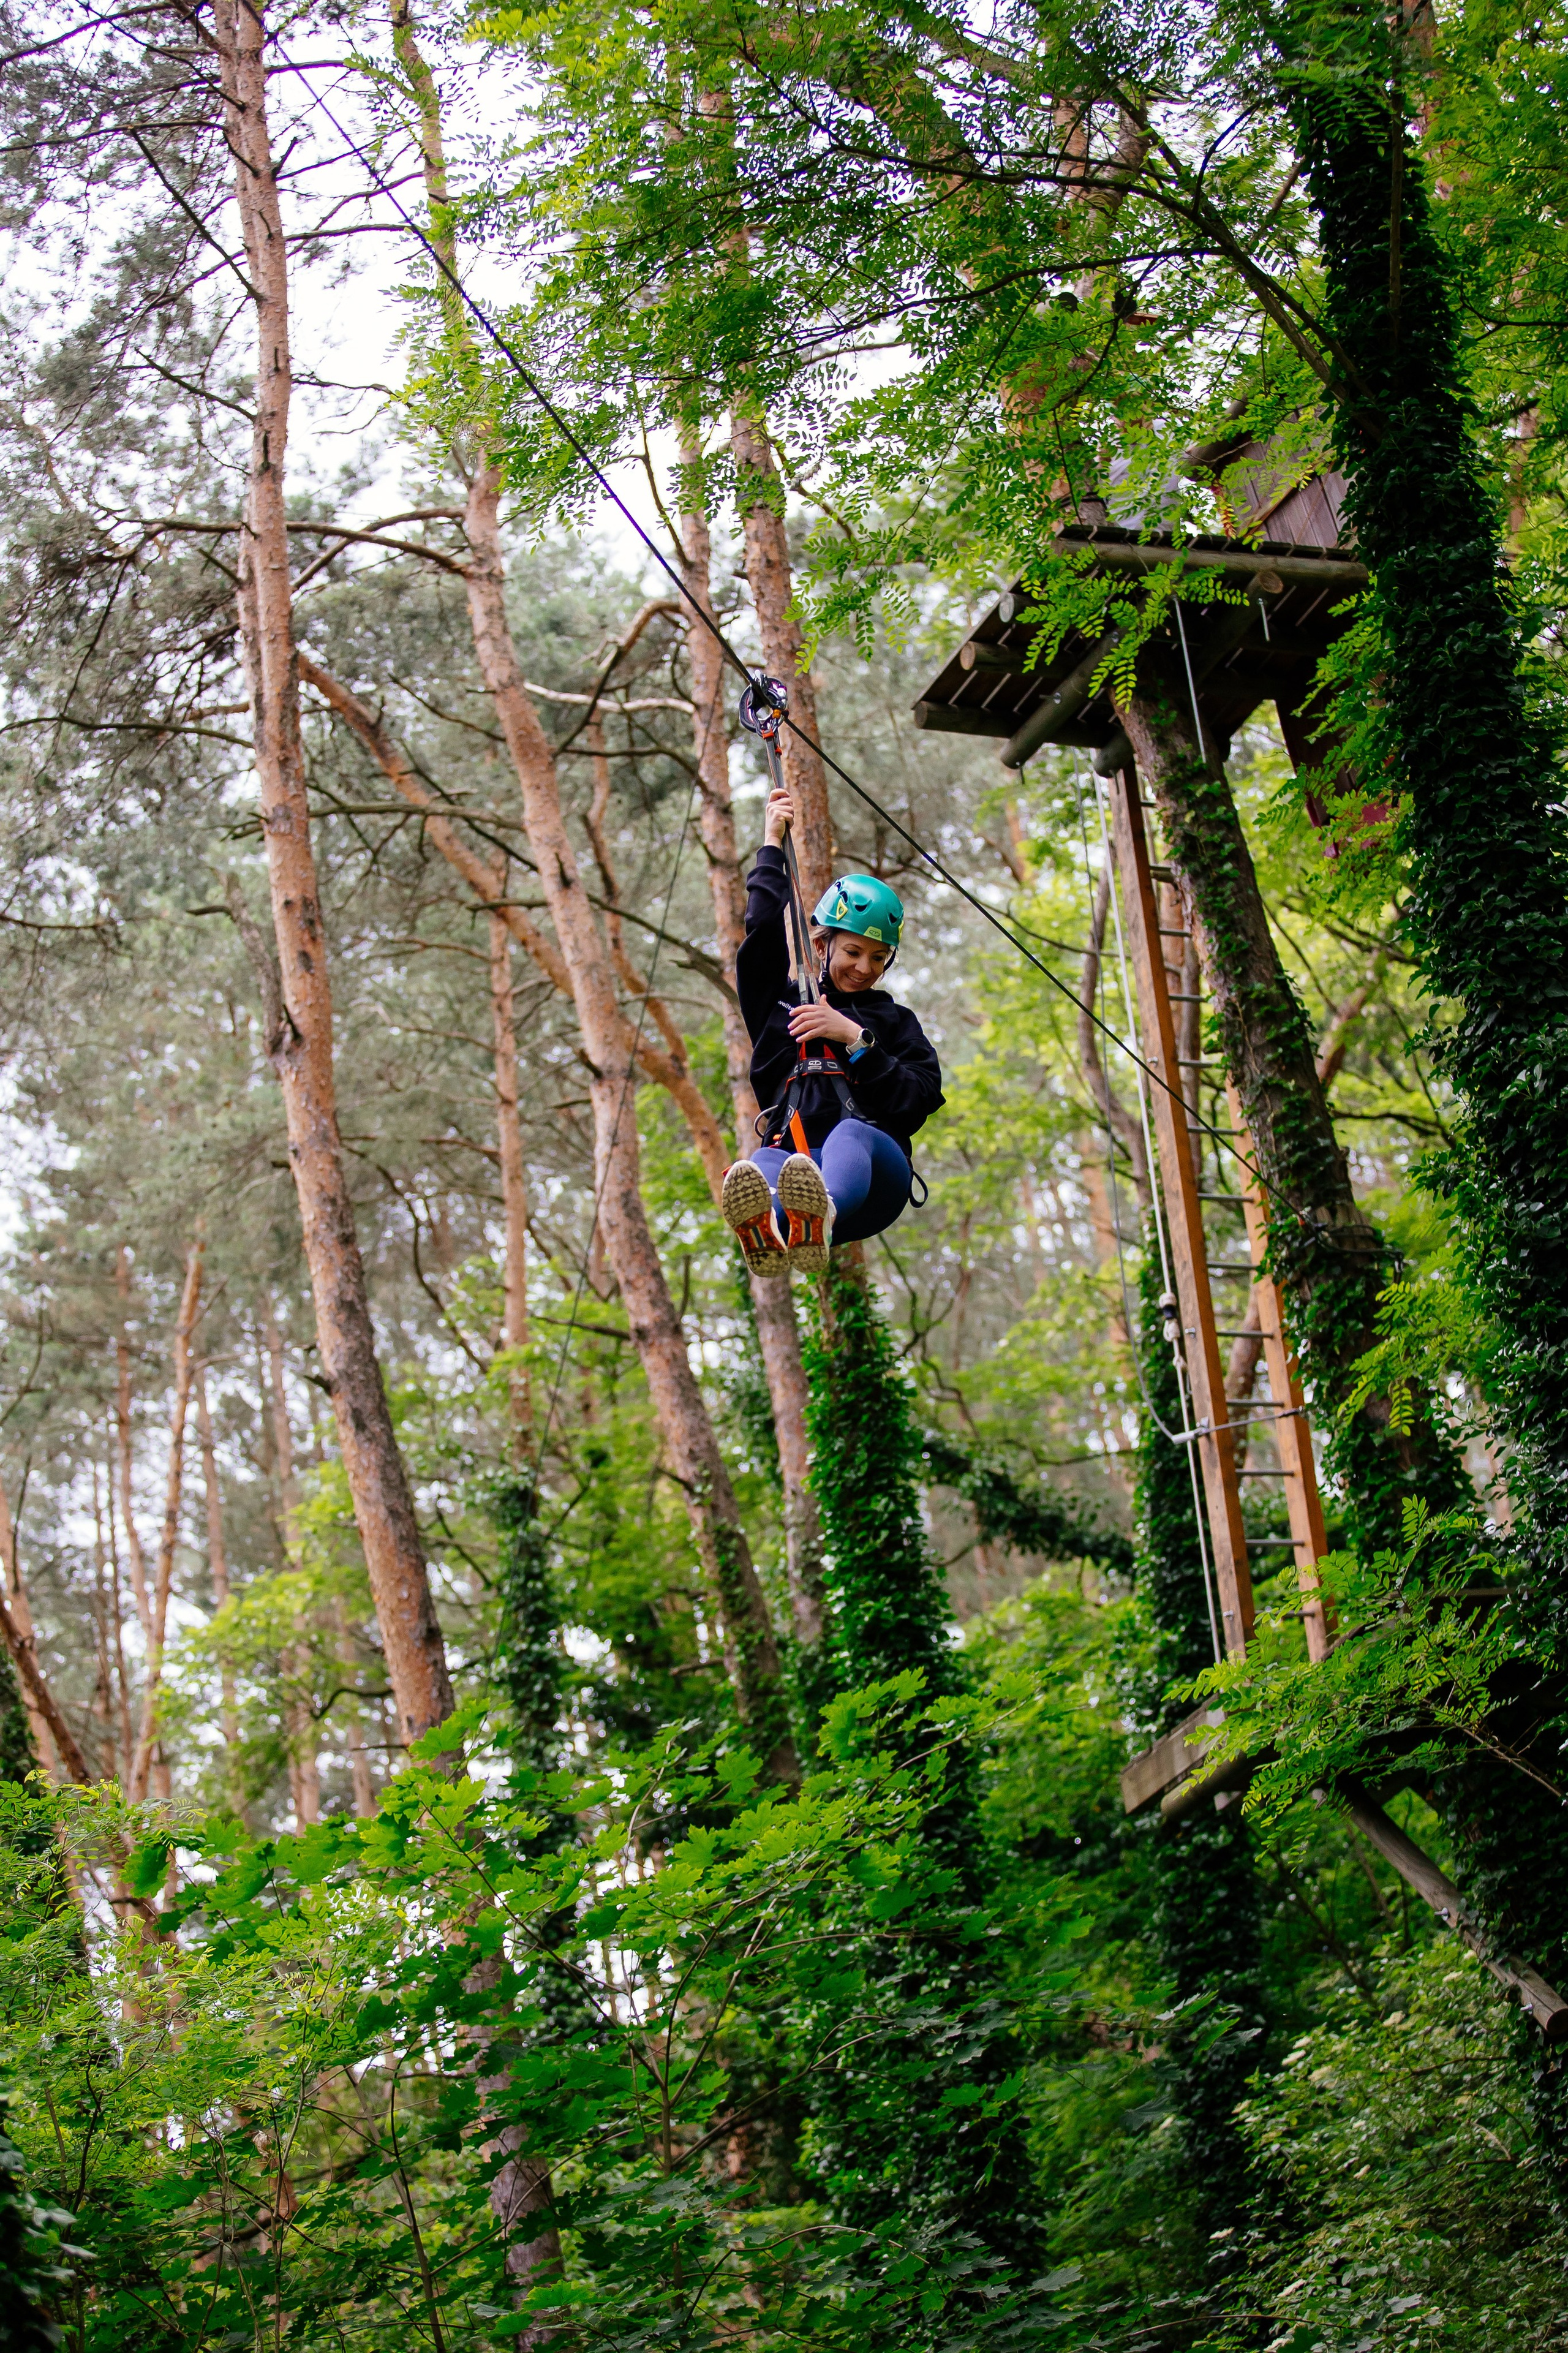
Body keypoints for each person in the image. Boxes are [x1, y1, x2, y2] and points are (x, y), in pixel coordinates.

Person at [722, 784, 944, 1274]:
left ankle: (819, 1214)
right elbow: (760, 939)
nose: (865, 968)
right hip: (797, 1151)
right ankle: (773, 1229)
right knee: (762, 1166)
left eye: (878, 958)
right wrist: (771, 843)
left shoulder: (894, 1022)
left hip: (871, 1177)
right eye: (853, 952)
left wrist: (854, 1037)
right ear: (823, 944)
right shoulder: (781, 1007)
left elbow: (920, 1097)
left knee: (849, 1133)